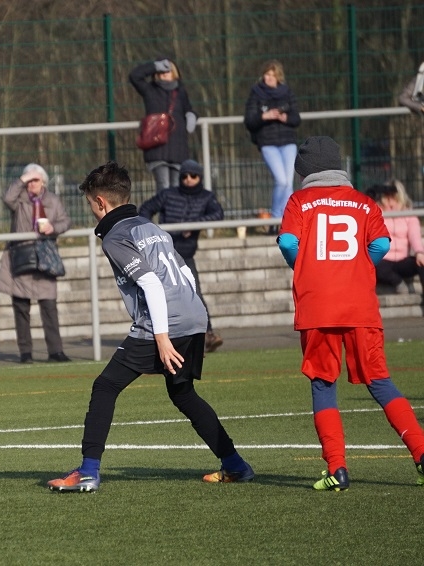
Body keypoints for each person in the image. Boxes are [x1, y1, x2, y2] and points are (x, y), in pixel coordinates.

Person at [48, 160, 253, 493]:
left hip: (164, 321)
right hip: (193, 314)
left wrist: (162, 337)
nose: (91, 211)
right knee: (183, 394)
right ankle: (235, 465)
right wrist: (194, 320)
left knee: (105, 386)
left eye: (90, 204)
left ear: (100, 202)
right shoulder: (151, 226)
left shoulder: (115, 235)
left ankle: (87, 471)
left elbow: (152, 284)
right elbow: (185, 272)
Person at [277, 136, 424, 490]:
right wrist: (359, 267)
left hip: (318, 306)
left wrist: (305, 267)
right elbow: (382, 243)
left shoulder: (299, 201)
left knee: (323, 383)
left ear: (305, 171)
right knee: (380, 381)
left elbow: (288, 241)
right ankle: (421, 453)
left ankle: (337, 468)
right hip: (360, 305)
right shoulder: (364, 202)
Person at [138, 159, 225, 352]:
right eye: (184, 176)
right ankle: (160, 338)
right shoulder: (168, 194)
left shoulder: (206, 197)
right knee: (161, 296)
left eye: (193, 176)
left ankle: (206, 334)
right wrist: (152, 232)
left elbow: (218, 214)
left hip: (185, 256)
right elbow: (145, 209)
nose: (188, 180)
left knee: (194, 294)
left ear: (200, 177)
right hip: (163, 255)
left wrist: (194, 224)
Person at [0, 163, 72, 363]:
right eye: (28, 180)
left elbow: (65, 221)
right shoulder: (19, 199)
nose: (31, 184)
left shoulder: (53, 200)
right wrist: (23, 179)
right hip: (21, 258)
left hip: (45, 258)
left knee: (49, 307)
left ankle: (56, 351)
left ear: (43, 181)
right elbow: (7, 198)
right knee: (21, 308)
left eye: (35, 180)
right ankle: (25, 352)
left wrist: (53, 228)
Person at [129, 58, 197, 192]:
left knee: (176, 187)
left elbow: (188, 109)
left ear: (174, 73)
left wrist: (192, 116)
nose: (164, 73)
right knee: (163, 185)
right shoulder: (150, 90)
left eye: (168, 70)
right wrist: (154, 66)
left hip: (178, 146)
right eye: (161, 70)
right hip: (157, 146)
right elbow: (134, 76)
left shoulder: (181, 92)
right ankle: (164, 207)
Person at [244, 59, 301, 219]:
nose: (269, 78)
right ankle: (276, 218)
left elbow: (296, 118)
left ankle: (288, 220)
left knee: (288, 184)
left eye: (273, 75)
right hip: (268, 143)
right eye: (267, 74)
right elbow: (249, 121)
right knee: (281, 181)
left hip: (288, 142)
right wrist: (264, 116)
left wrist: (285, 118)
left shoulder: (287, 92)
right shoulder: (256, 93)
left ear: (278, 77)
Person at [369, 182, 424, 297]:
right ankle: (398, 282)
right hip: (383, 260)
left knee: (421, 262)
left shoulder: (409, 214)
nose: (390, 201)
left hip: (402, 261)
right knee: (373, 265)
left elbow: (414, 236)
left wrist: (419, 252)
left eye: (394, 197)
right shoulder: (376, 212)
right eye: (387, 196)